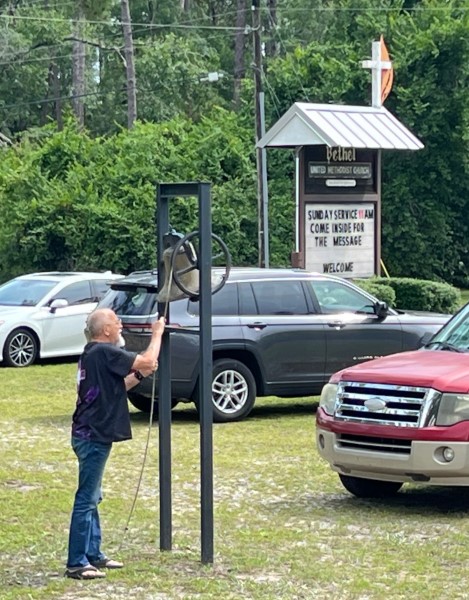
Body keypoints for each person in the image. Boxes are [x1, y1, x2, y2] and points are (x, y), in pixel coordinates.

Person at [64, 308, 165, 580]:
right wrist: (157, 334)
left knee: (93, 496)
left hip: (88, 434)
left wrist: (141, 374)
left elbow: (119, 386)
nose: (120, 324)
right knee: (86, 498)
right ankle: (76, 563)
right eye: (115, 321)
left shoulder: (93, 353)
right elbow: (148, 359)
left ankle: (93, 554)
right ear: (105, 330)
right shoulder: (104, 351)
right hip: (93, 436)